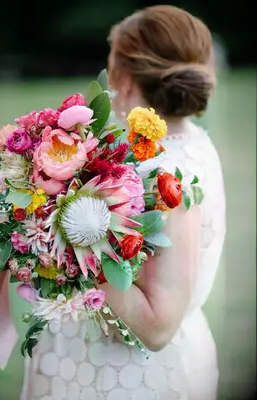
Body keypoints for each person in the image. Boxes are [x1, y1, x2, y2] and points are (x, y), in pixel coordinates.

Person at [21, 5, 226, 400]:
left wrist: (68, 230)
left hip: (125, 378)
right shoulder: (193, 143)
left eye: (110, 63)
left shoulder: (167, 175)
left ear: (127, 80)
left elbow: (157, 327)